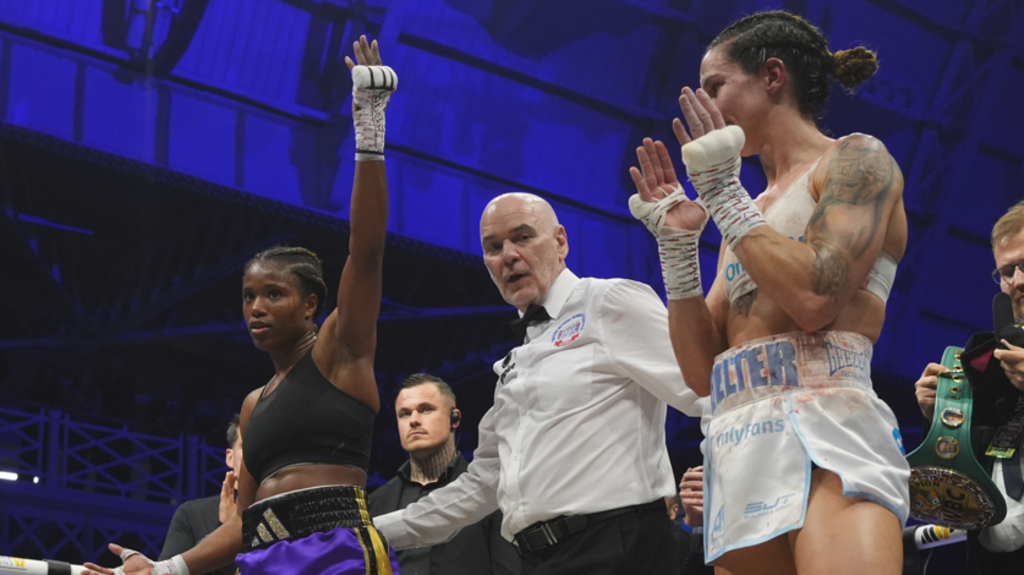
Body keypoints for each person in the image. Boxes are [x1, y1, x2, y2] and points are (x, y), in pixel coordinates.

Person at [83, 35, 398, 575]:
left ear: (310, 305)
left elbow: (366, 251)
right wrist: (163, 570)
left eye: (274, 294)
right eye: (249, 296)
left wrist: (368, 127)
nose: (256, 307)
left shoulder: (340, 350)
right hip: (264, 560)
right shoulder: (254, 404)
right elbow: (243, 523)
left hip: (336, 551)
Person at [628, 10, 909, 575]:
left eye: (716, 87)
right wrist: (679, 249)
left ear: (772, 76)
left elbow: (814, 299)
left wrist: (722, 196)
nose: (702, 108)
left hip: (828, 434)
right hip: (739, 441)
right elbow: (701, 371)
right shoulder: (747, 215)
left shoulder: (855, 158)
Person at [373, 192, 704, 574]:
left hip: (618, 546)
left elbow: (703, 389)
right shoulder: (516, 363)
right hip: (537, 560)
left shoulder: (609, 301)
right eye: (493, 247)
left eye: (523, 237)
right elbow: (481, 484)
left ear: (560, 241)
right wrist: (371, 533)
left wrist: (730, 481)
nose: (508, 255)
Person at [914, 200, 1024, 574]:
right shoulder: (980, 362)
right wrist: (942, 418)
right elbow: (962, 481)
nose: (1019, 280)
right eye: (1008, 271)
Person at [368, 373, 519, 575]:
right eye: (404, 413)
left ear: (454, 418)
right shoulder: (376, 502)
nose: (413, 420)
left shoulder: (491, 492)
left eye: (425, 409)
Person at [158, 417, 243, 575]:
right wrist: (224, 529)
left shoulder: (285, 515)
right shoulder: (192, 514)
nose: (254, 454)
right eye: (246, 446)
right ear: (230, 457)